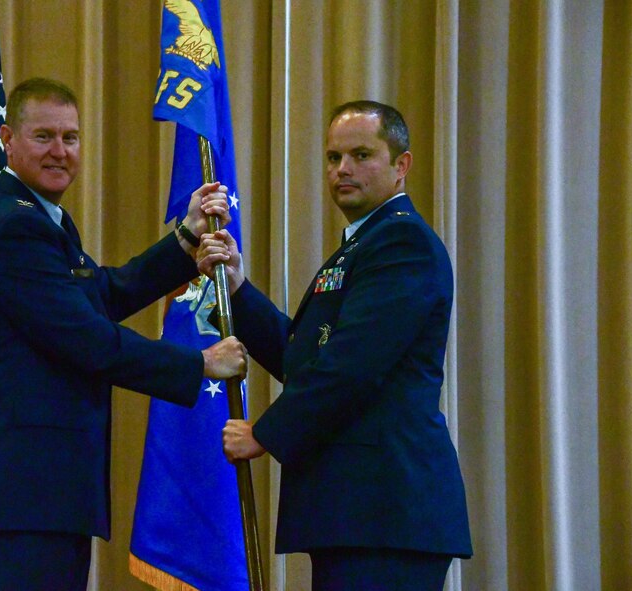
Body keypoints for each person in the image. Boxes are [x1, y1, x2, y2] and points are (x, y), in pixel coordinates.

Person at [0, 77, 247, 590]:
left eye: (71, 137)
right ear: (6, 139)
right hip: (21, 497)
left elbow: (103, 292)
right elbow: (86, 338)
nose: (60, 151)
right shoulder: (13, 227)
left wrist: (186, 235)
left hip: (37, 495)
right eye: (44, 137)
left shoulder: (44, 220)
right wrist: (197, 365)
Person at [198, 101, 472, 590]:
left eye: (361, 155)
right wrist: (238, 289)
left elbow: (353, 366)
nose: (343, 169)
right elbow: (303, 356)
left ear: (401, 165)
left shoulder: (401, 244)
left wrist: (265, 433)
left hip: (388, 510)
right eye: (332, 158)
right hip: (359, 512)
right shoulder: (362, 245)